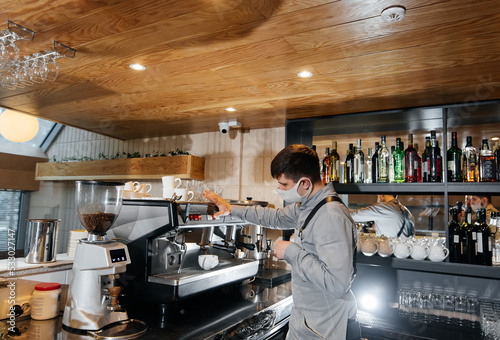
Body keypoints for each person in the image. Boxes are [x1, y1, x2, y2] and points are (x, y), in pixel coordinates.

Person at [203, 144, 359, 340]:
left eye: (284, 185)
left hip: (327, 327)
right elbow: (275, 217)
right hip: (311, 321)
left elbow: (337, 284)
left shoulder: (330, 215)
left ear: (305, 183)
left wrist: (292, 252)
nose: (280, 189)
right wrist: (230, 208)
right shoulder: (310, 205)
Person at [349, 194, 415, 238]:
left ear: (381, 195)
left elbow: (353, 215)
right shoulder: (407, 211)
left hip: (388, 255)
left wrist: (339, 207)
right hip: (404, 255)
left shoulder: (384, 208)